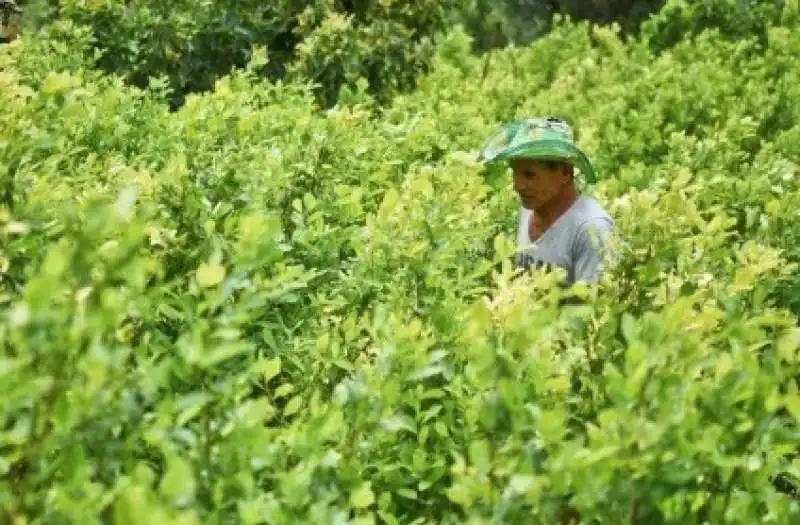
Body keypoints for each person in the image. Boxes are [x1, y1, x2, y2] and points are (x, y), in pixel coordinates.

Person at [481, 116, 616, 286]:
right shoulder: (529, 208)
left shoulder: (591, 229)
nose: (518, 185)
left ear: (565, 173)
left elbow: (593, 306)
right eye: (515, 172)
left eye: (529, 175)